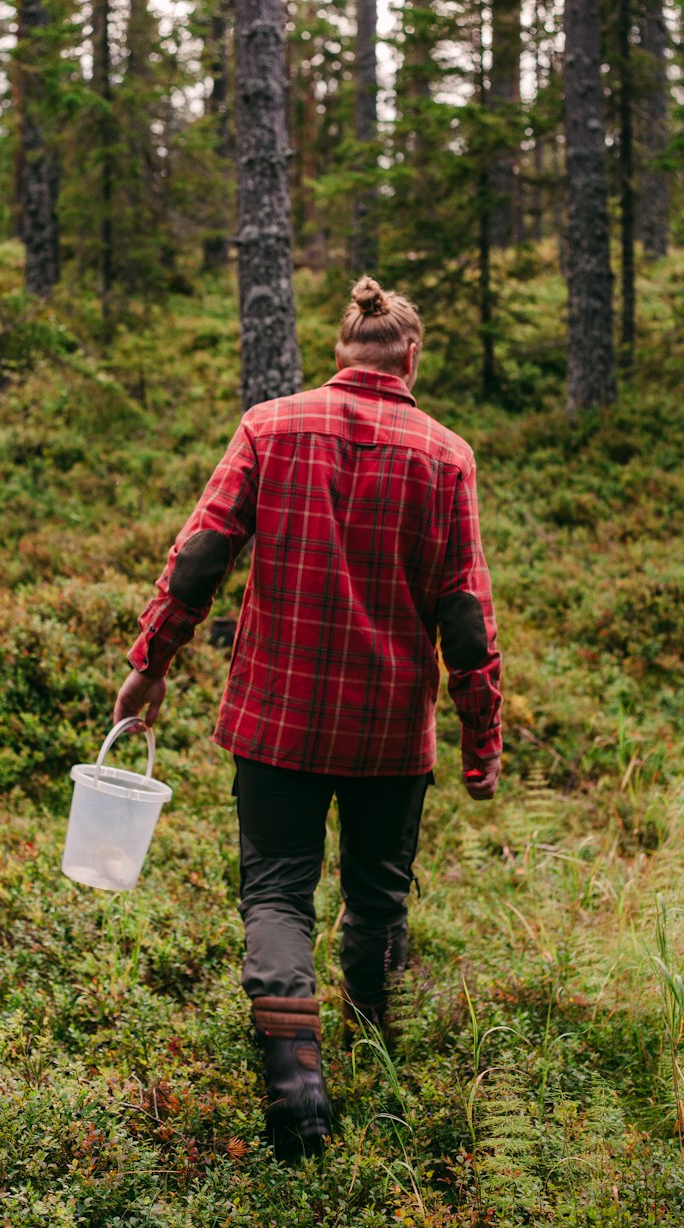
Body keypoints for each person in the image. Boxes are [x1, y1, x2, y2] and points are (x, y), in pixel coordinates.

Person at [113, 277, 503, 1159]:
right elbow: (465, 613)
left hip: (277, 720)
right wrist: (484, 738)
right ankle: (376, 1060)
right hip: (391, 733)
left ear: (340, 355)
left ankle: (297, 1094)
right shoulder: (447, 455)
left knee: (278, 893)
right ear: (411, 358)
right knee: (378, 900)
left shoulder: (271, 424)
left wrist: (150, 667)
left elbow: (201, 556)